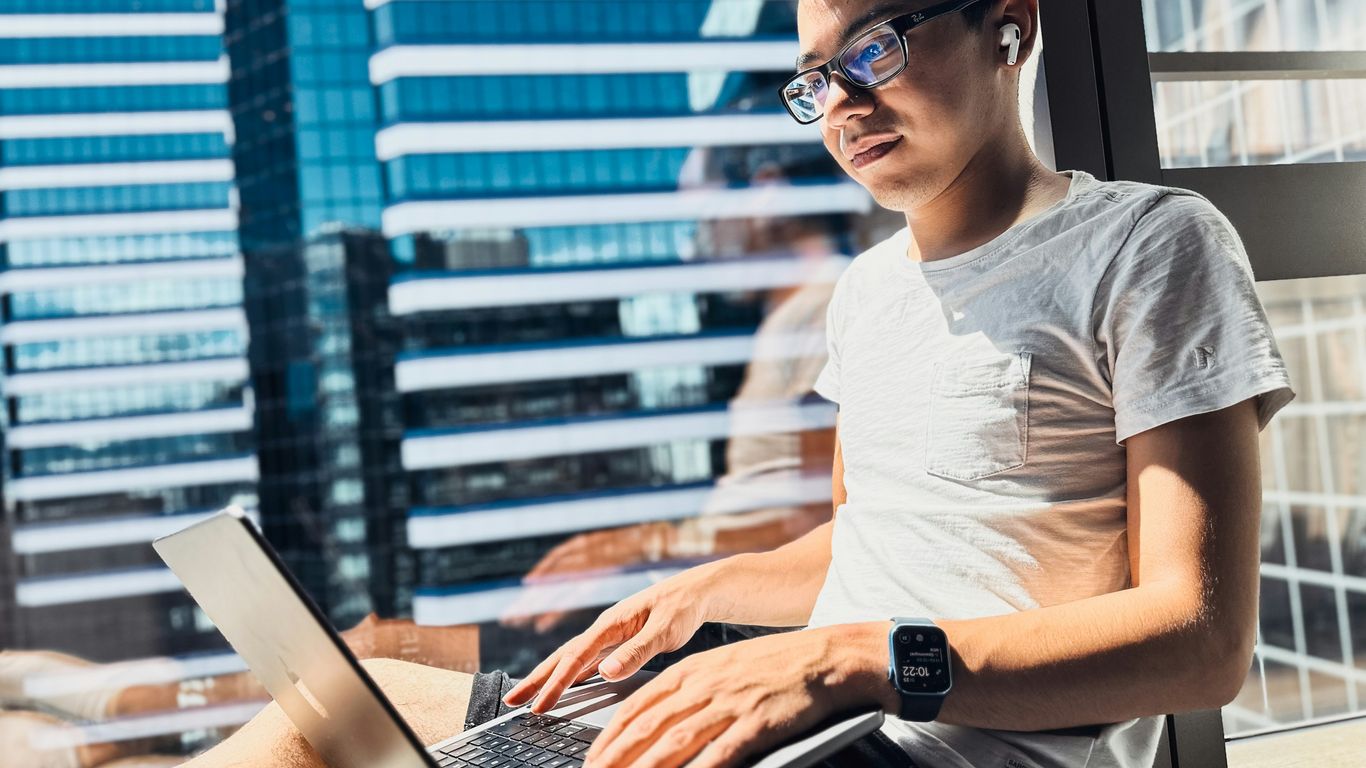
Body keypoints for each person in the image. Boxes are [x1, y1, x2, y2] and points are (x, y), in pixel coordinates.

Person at [185, 0, 1298, 765]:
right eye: (816, 79)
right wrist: (703, 589)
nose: (844, 102)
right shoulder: (866, 293)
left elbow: (1197, 643)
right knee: (324, 713)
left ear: (1009, 23)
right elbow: (867, 541)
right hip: (820, 730)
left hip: (941, 748)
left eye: (876, 49)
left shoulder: (1150, 244)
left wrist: (850, 657)